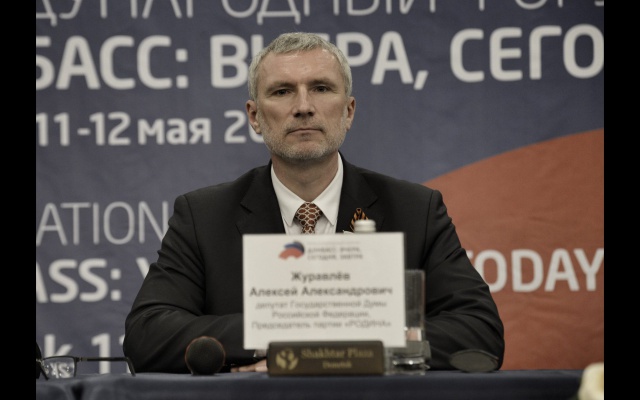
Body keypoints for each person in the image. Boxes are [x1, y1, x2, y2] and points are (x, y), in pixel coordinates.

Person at [123, 32, 505, 373]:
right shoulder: (204, 216)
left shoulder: (414, 210)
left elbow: (479, 332)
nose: (304, 106)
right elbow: (147, 335)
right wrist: (275, 332)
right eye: (282, 91)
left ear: (349, 111)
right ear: (254, 116)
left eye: (321, 88)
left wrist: (341, 348)